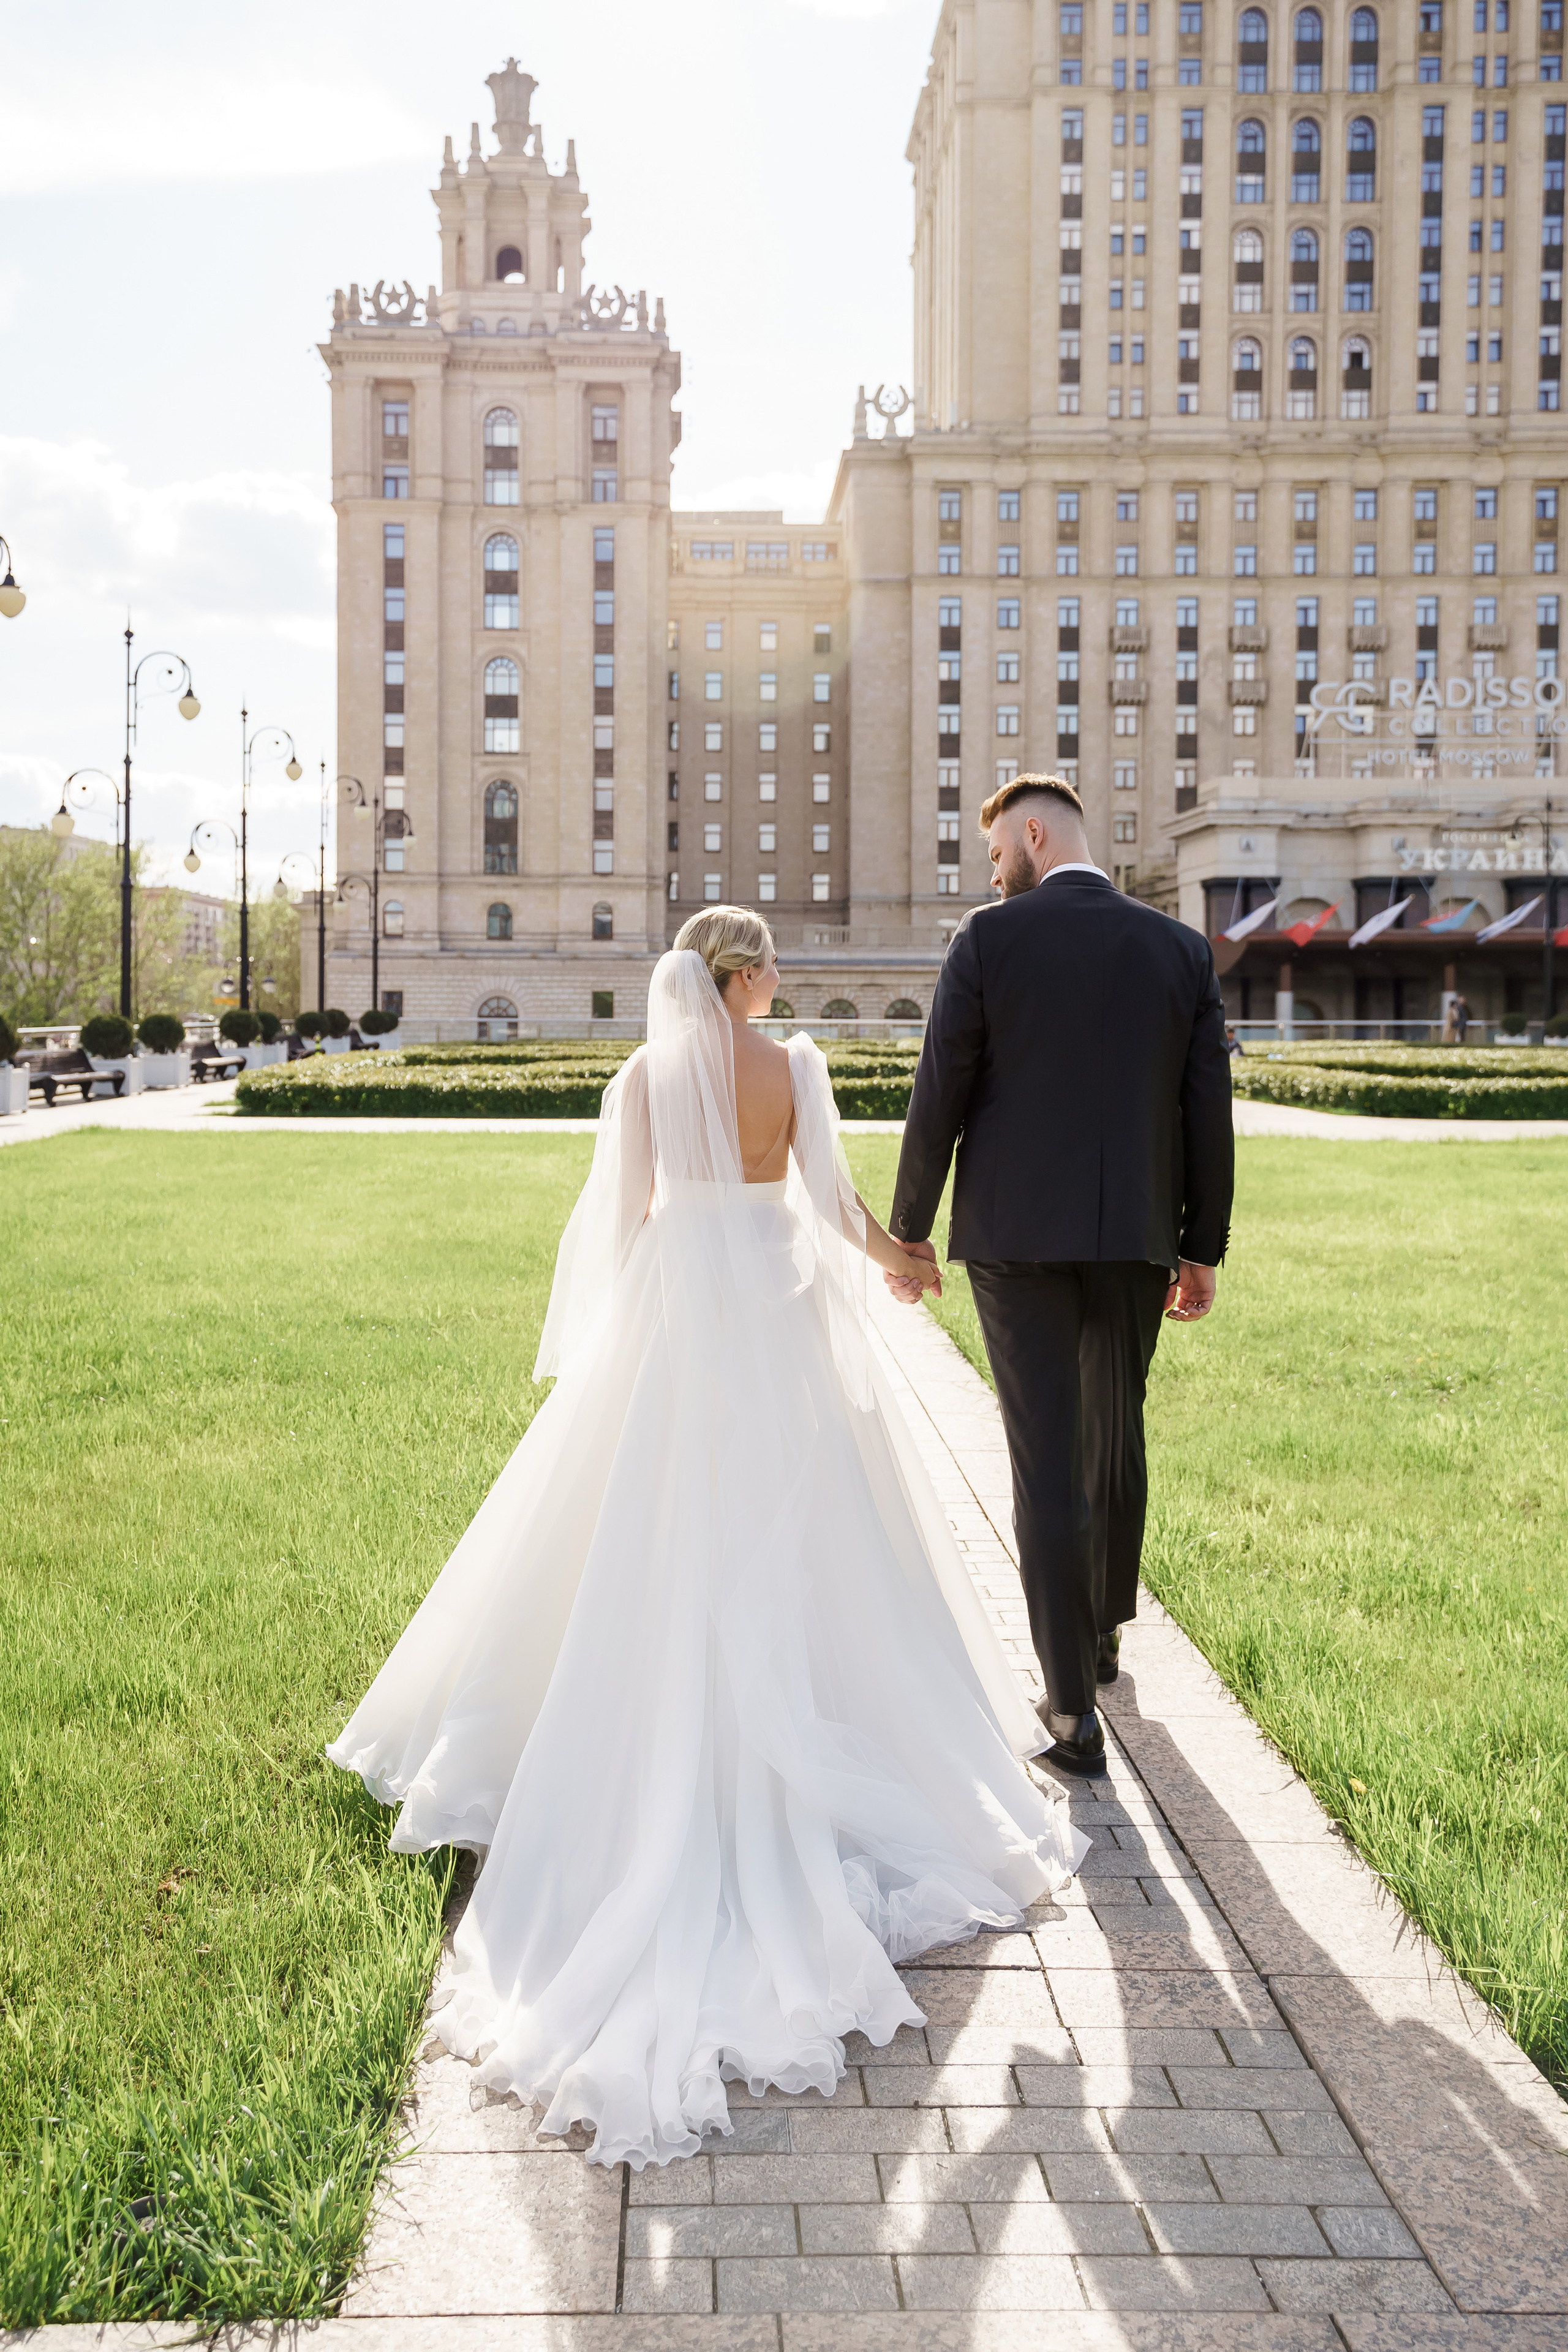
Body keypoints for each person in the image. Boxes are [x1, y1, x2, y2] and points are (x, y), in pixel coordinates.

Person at [330, 907, 1087, 2171]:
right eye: (772, 964)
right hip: (773, 1307)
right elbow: (827, 1200)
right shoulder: (790, 1066)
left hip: (680, 1308)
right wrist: (900, 1257)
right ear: (740, 978)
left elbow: (618, 1225)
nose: (782, 979)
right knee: (804, 1532)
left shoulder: (642, 1074)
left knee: (639, 1524)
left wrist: (628, 1339)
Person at [886, 775, 1234, 1778]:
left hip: (1015, 1239)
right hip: (1134, 1237)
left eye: (997, 855)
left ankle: (1072, 1712)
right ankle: (1107, 1635)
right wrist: (1200, 1246)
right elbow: (1203, 1108)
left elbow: (938, 1094)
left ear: (1033, 833)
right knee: (1114, 1433)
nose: (994, 875)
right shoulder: (1179, 950)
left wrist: (910, 1232)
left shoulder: (988, 944)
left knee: (1047, 1458)